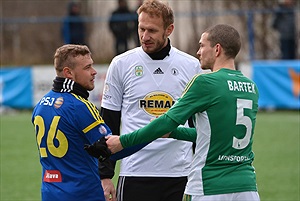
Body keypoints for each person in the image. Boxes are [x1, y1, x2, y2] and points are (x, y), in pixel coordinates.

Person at [106, 24, 261, 201]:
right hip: (247, 186)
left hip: (211, 185)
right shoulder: (251, 87)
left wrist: (123, 141)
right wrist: (174, 133)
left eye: (202, 45)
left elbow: (167, 121)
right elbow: (212, 136)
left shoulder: (205, 82)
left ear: (217, 49)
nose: (198, 52)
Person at [100, 0, 201, 201]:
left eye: (152, 31)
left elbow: (200, 125)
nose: (145, 37)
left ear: (169, 29)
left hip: (180, 173)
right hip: (135, 172)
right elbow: (107, 123)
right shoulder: (121, 64)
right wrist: (104, 175)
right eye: (141, 28)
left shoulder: (191, 66)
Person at [31, 44, 108, 201]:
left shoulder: (40, 105)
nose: (94, 72)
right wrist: (155, 131)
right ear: (68, 73)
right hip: (84, 194)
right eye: (88, 67)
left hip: (49, 193)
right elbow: (113, 147)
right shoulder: (79, 106)